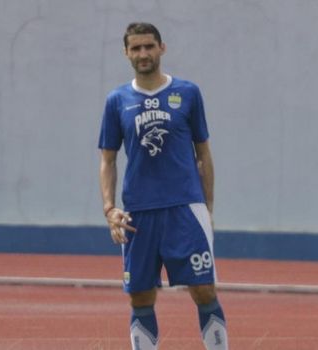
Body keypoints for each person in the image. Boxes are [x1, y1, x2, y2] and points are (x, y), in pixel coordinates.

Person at [98, 22, 228, 350]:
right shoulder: (117, 100)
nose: (144, 53)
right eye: (136, 48)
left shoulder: (187, 93)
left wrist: (207, 208)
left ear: (162, 48)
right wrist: (110, 208)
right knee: (140, 296)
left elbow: (204, 154)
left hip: (185, 207)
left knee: (204, 290)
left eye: (149, 47)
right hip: (139, 213)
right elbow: (108, 160)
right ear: (127, 53)